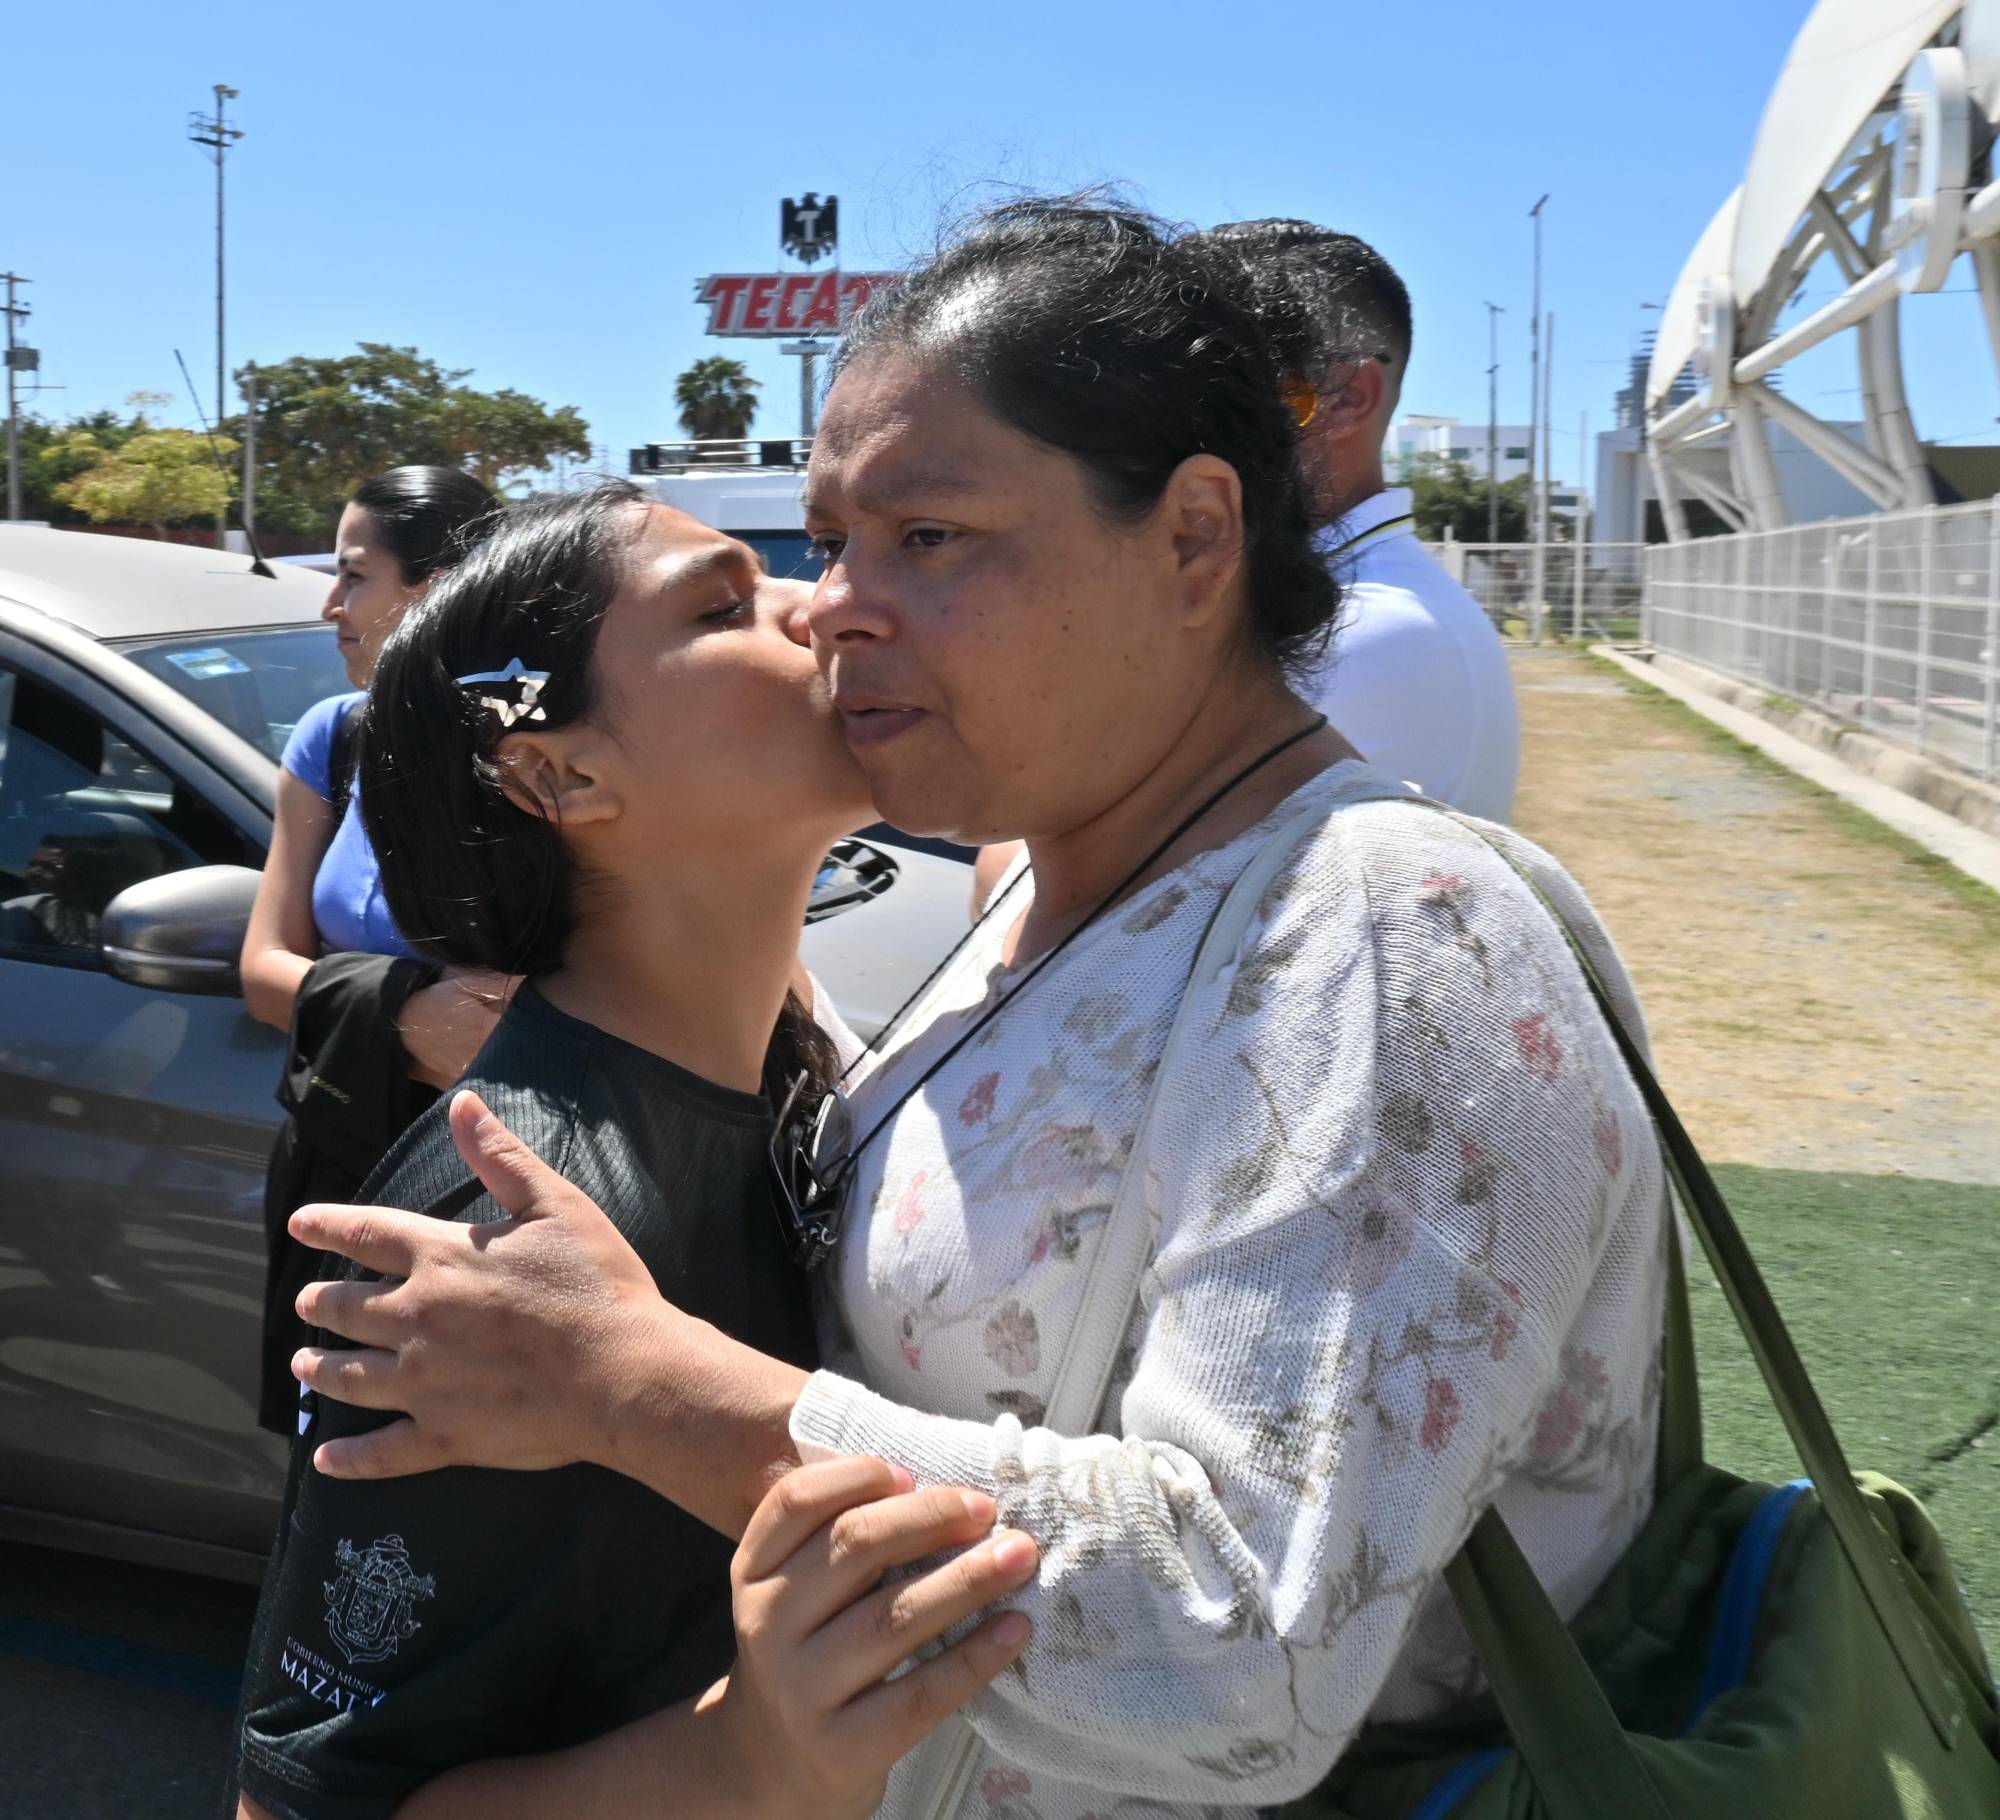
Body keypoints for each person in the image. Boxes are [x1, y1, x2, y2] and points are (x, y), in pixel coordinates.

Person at [284, 198, 1669, 1820]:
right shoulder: (1049, 896)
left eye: (929, 537)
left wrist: (635, 1388)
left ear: (1194, 538)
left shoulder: (1385, 934)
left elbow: (1240, 1655)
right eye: (832, 542)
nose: (834, 607)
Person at [229, 485, 1039, 1820]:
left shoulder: (795, 1081)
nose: (824, 607)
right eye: (726, 604)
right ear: (560, 775)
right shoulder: (510, 1225)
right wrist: (748, 1759)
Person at [239, 465, 503, 1432]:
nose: (330, 606)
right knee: (332, 1447)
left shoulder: (543, 755)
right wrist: (406, 1016)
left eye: (354, 576)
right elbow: (264, 970)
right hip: (343, 1155)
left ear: (437, 590)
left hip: (492, 1182)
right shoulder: (333, 740)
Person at [1197, 219, 1521, 822]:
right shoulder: (1342, 602)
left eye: (1218, 393)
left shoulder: (1365, 633)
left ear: (1347, 397)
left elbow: (1109, 869)